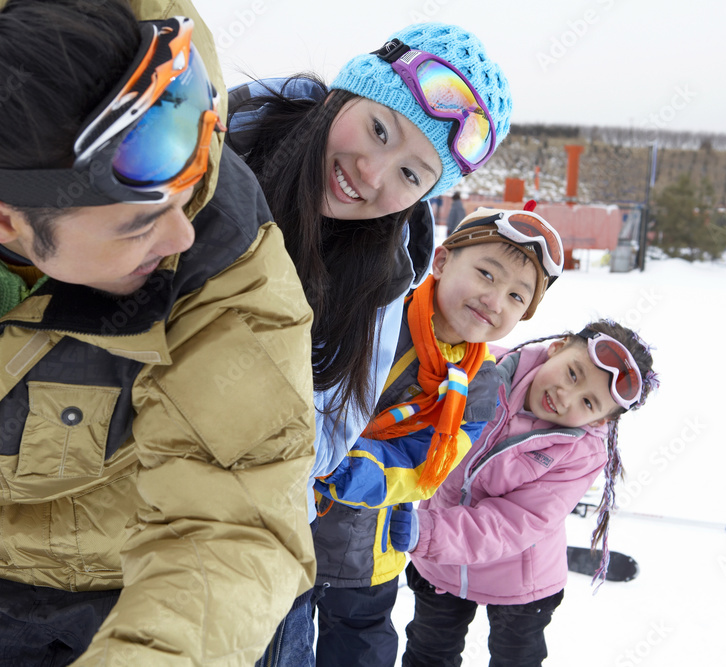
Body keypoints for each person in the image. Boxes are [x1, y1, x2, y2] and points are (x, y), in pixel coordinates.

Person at [0, 1, 316, 665]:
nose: (180, 235)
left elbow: (237, 515)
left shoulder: (219, 246)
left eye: (183, 196)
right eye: (137, 225)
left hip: (150, 566)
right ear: (1, 224)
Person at [225, 23, 513, 666]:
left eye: (411, 173)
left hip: (258, 551)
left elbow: (328, 431)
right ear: (346, 95)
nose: (371, 173)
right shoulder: (210, 159)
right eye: (379, 129)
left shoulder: (381, 274)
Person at [311, 207, 565, 666]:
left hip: (366, 554)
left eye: (515, 296)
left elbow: (427, 466)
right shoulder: (375, 307)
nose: (494, 299)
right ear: (442, 261)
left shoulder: (480, 388)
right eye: (486, 273)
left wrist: (339, 465)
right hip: (284, 521)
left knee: (359, 650)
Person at [396, 319, 658, 667]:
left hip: (520, 583)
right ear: (557, 348)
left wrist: (424, 532)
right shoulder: (484, 371)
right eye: (573, 374)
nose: (565, 396)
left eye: (588, 403)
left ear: (599, 422)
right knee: (429, 653)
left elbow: (514, 522)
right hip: (440, 565)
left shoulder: (579, 454)